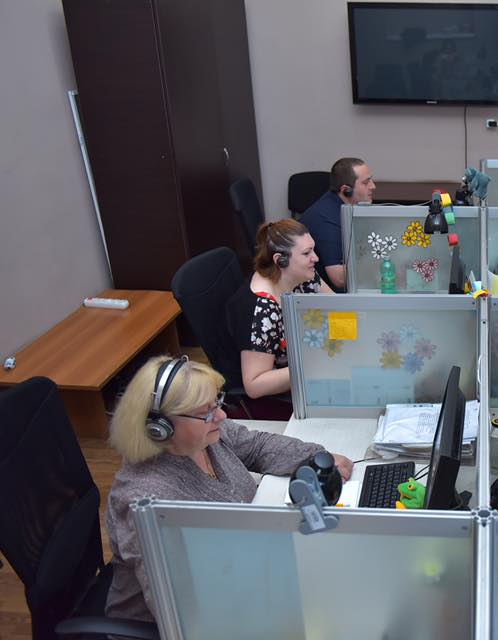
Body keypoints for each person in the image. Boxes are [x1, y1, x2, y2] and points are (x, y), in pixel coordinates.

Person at [105, 355, 353, 623]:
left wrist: (314, 457)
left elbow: (257, 446)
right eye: (206, 412)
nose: (221, 415)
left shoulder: (206, 436)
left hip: (247, 571)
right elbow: (184, 606)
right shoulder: (147, 499)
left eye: (218, 403)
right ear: (160, 428)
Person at [227, 219, 333, 400]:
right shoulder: (262, 311)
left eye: (313, 250)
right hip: (286, 394)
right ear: (280, 260)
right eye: (306, 253)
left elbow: (338, 308)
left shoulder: (302, 274)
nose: (315, 258)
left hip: (310, 356)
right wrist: (315, 365)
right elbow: (254, 385)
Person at [299, 157, 377, 292]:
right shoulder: (326, 220)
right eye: (366, 182)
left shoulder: (343, 206)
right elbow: (339, 278)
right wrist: (384, 262)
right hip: (326, 296)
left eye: (371, 180)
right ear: (346, 190)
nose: (373, 186)